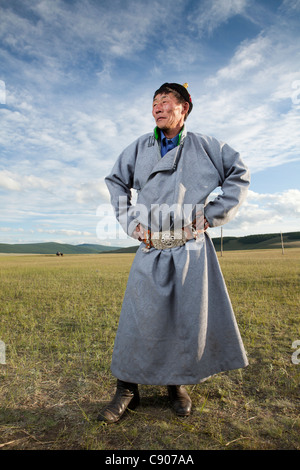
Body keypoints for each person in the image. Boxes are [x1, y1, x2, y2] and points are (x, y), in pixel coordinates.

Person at [97, 82, 250, 423]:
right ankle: (127, 388)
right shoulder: (139, 147)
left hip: (190, 246)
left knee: (186, 318)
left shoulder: (206, 146)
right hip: (151, 244)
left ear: (184, 109)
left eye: (166, 101)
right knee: (139, 317)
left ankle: (176, 384)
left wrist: (211, 216)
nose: (158, 106)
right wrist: (131, 221)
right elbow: (116, 182)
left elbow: (239, 175)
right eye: (155, 101)